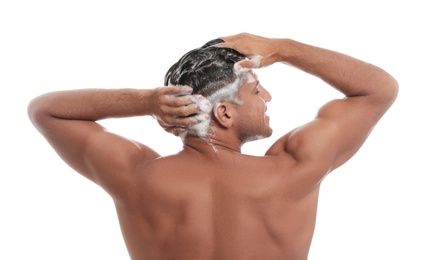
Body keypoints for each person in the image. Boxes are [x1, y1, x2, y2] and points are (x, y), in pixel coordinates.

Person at [28, 33, 398, 260]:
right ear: (223, 112)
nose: (267, 96)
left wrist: (146, 102)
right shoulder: (292, 170)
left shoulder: (138, 176)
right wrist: (282, 49)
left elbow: (46, 111)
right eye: (256, 90)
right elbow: (378, 89)